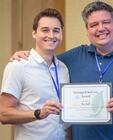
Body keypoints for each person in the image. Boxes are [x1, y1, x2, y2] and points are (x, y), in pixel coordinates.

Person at [10, 1, 113, 140]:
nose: (101, 28)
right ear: (87, 30)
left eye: (106, 22)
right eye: (94, 24)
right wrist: (26, 55)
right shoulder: (71, 58)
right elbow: (44, 60)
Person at [0, 8, 69, 140]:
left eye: (56, 30)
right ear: (34, 33)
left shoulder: (64, 68)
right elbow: (3, 114)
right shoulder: (18, 66)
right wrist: (38, 113)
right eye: (45, 30)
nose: (51, 35)